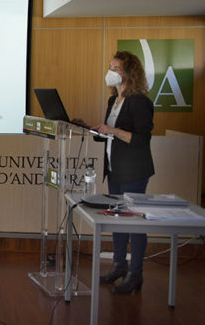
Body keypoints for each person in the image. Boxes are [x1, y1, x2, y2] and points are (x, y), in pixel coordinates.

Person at [78, 51, 154, 295]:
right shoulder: (114, 100)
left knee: (135, 222)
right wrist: (89, 128)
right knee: (117, 218)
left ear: (129, 73)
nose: (111, 72)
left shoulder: (139, 101)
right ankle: (119, 265)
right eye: (110, 67)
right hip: (115, 168)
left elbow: (141, 139)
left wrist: (112, 130)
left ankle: (136, 273)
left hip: (134, 170)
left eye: (116, 68)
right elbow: (109, 135)